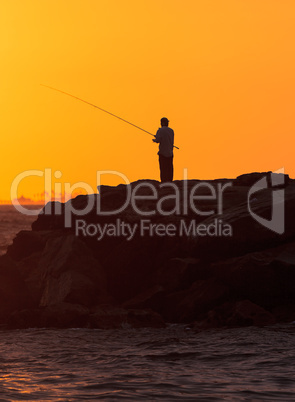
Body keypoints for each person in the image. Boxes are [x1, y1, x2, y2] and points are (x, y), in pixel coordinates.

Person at [152, 117, 174, 182]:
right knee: (169, 168)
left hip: (162, 153)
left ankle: (164, 181)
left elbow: (158, 140)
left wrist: (155, 139)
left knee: (163, 168)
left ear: (162, 123)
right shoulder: (171, 131)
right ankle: (170, 180)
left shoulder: (160, 130)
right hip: (170, 152)